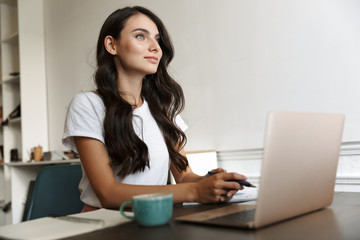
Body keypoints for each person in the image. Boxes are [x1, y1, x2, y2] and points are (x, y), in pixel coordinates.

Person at [63, 6, 247, 212]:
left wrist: (210, 182)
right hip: (102, 225)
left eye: (157, 39)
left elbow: (184, 176)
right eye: (141, 36)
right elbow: (108, 193)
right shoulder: (88, 104)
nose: (155, 47)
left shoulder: (162, 109)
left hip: (154, 221)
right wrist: (196, 191)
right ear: (111, 45)